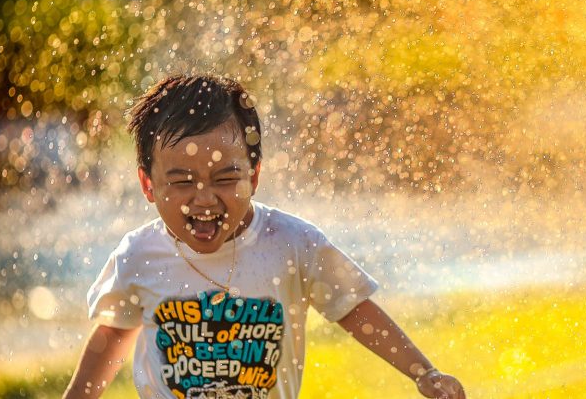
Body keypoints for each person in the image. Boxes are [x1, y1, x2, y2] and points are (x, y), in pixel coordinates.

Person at [63, 74, 465, 399]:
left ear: (253, 177)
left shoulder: (291, 243)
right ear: (148, 185)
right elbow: (113, 334)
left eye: (225, 178)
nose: (204, 199)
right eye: (182, 182)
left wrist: (423, 372)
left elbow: (352, 307)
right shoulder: (139, 255)